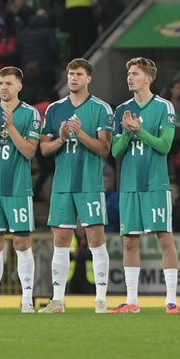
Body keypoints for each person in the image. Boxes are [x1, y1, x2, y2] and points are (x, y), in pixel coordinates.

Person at [38, 59, 114, 313]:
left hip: (90, 184)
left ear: (89, 78)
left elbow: (104, 148)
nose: (73, 78)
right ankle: (57, 300)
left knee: (96, 238)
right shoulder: (55, 109)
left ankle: (101, 299)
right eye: (71, 73)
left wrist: (80, 134)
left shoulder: (100, 108)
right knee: (61, 239)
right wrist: (61, 138)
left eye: (79, 74)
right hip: (62, 184)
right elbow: (44, 148)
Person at [109, 57, 179, 312]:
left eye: (135, 73)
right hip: (129, 185)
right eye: (129, 73)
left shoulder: (164, 107)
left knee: (164, 237)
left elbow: (165, 146)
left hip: (155, 184)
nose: (130, 77)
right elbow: (115, 152)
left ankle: (171, 299)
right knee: (129, 241)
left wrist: (139, 130)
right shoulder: (121, 110)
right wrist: (128, 132)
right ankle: (132, 301)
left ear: (148, 79)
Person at [0, 66, 42, 313]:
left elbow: (29, 151)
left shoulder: (30, 113)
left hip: (18, 189)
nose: (3, 87)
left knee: (22, 242)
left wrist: (10, 126)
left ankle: (27, 300)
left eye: (9, 83)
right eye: (1, 83)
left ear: (19, 86)